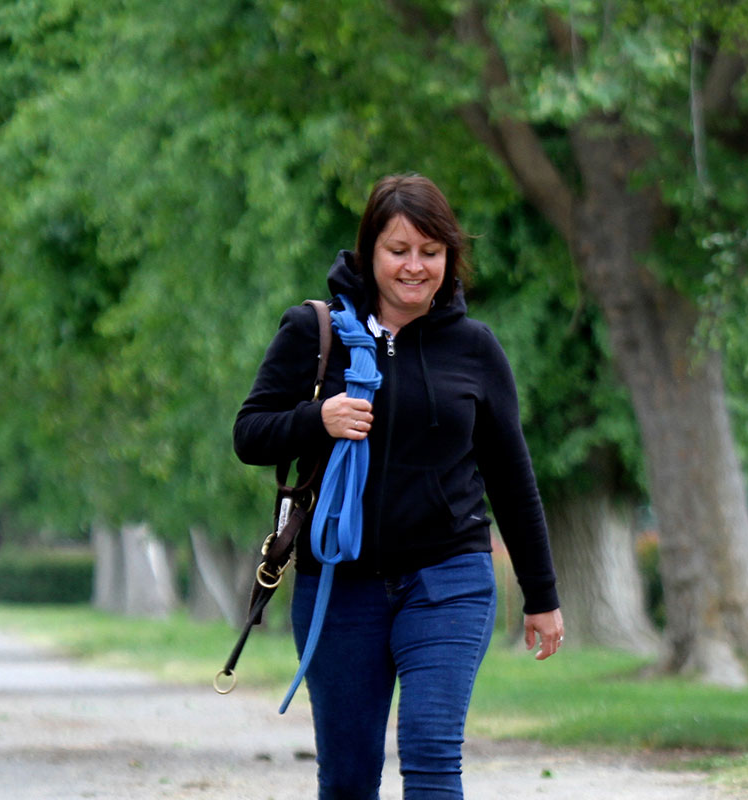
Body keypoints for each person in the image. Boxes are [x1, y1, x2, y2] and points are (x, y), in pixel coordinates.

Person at [234, 173, 564, 799]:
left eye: (431, 252)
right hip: (340, 584)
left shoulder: (475, 348)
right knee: (350, 778)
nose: (415, 267)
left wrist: (541, 595)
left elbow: (512, 478)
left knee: (433, 753)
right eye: (398, 250)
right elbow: (249, 433)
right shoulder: (315, 333)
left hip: (448, 578)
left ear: (449, 258)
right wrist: (317, 419)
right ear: (368, 254)